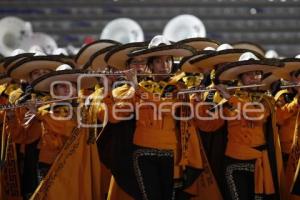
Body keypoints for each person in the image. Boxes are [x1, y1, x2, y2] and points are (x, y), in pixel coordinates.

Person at [195, 52, 285, 200]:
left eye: (257, 74)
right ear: (240, 78)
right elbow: (208, 126)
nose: (254, 78)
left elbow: (256, 116)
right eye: (248, 75)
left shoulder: (267, 101)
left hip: (260, 163)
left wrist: (231, 98)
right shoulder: (229, 101)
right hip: (233, 163)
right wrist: (198, 103)